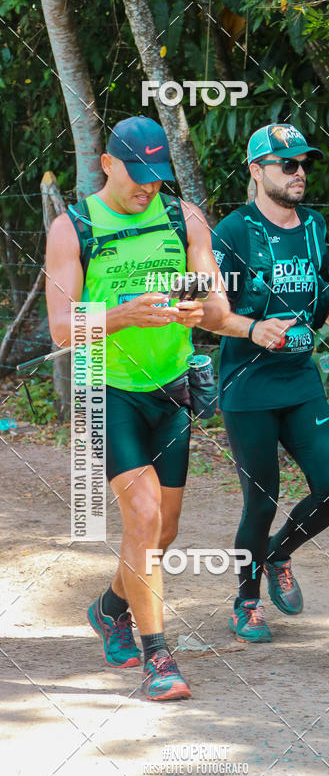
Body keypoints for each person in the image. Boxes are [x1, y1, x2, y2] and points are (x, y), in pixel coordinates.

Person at [45, 116, 228, 700]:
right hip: (108, 386)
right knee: (144, 518)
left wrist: (202, 310)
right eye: (136, 176)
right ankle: (159, 658)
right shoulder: (72, 229)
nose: (148, 188)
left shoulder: (184, 218)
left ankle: (108, 608)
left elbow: (215, 299)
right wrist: (124, 314)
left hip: (172, 387)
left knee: (163, 529)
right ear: (106, 164)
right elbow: (59, 328)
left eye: (157, 177)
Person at [211, 122, 329, 642]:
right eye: (288, 164)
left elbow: (323, 295)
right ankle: (246, 599)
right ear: (257, 171)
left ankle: (279, 552)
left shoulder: (316, 225)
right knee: (261, 500)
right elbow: (207, 314)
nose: (300, 173)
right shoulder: (231, 233)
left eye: (304, 163)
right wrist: (252, 329)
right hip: (248, 386)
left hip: (301, 379)